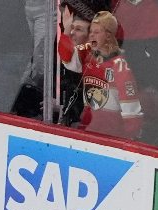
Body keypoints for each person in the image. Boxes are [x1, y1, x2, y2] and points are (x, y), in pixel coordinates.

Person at [59, 10, 144, 139]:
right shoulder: (88, 53)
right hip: (87, 129)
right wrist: (66, 31)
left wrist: (128, 142)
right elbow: (67, 60)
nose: (91, 36)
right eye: (91, 32)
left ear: (109, 36)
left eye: (97, 32)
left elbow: (132, 112)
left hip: (111, 136)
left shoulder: (119, 66)